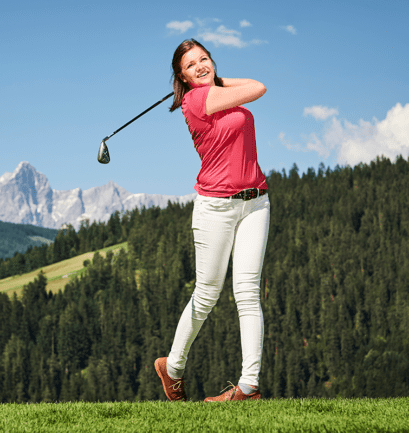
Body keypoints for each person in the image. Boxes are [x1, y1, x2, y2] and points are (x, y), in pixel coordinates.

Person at [154, 38, 270, 402]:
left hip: (256, 201)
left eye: (205, 59)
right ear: (182, 77)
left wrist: (212, 77)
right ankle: (172, 367)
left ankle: (248, 387)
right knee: (206, 296)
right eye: (192, 65)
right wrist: (211, 81)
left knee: (248, 295)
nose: (201, 66)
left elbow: (252, 89)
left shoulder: (214, 90)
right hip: (216, 208)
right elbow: (258, 87)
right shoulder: (195, 100)